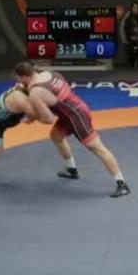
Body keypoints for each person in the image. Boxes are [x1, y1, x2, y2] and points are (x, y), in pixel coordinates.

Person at [17, 62, 131, 198]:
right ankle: (71, 169)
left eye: (19, 79)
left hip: (77, 118)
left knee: (98, 149)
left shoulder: (35, 93)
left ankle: (122, 184)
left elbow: (49, 119)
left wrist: (31, 118)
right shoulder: (50, 73)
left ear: (24, 77)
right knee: (56, 135)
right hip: (74, 111)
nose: (19, 82)